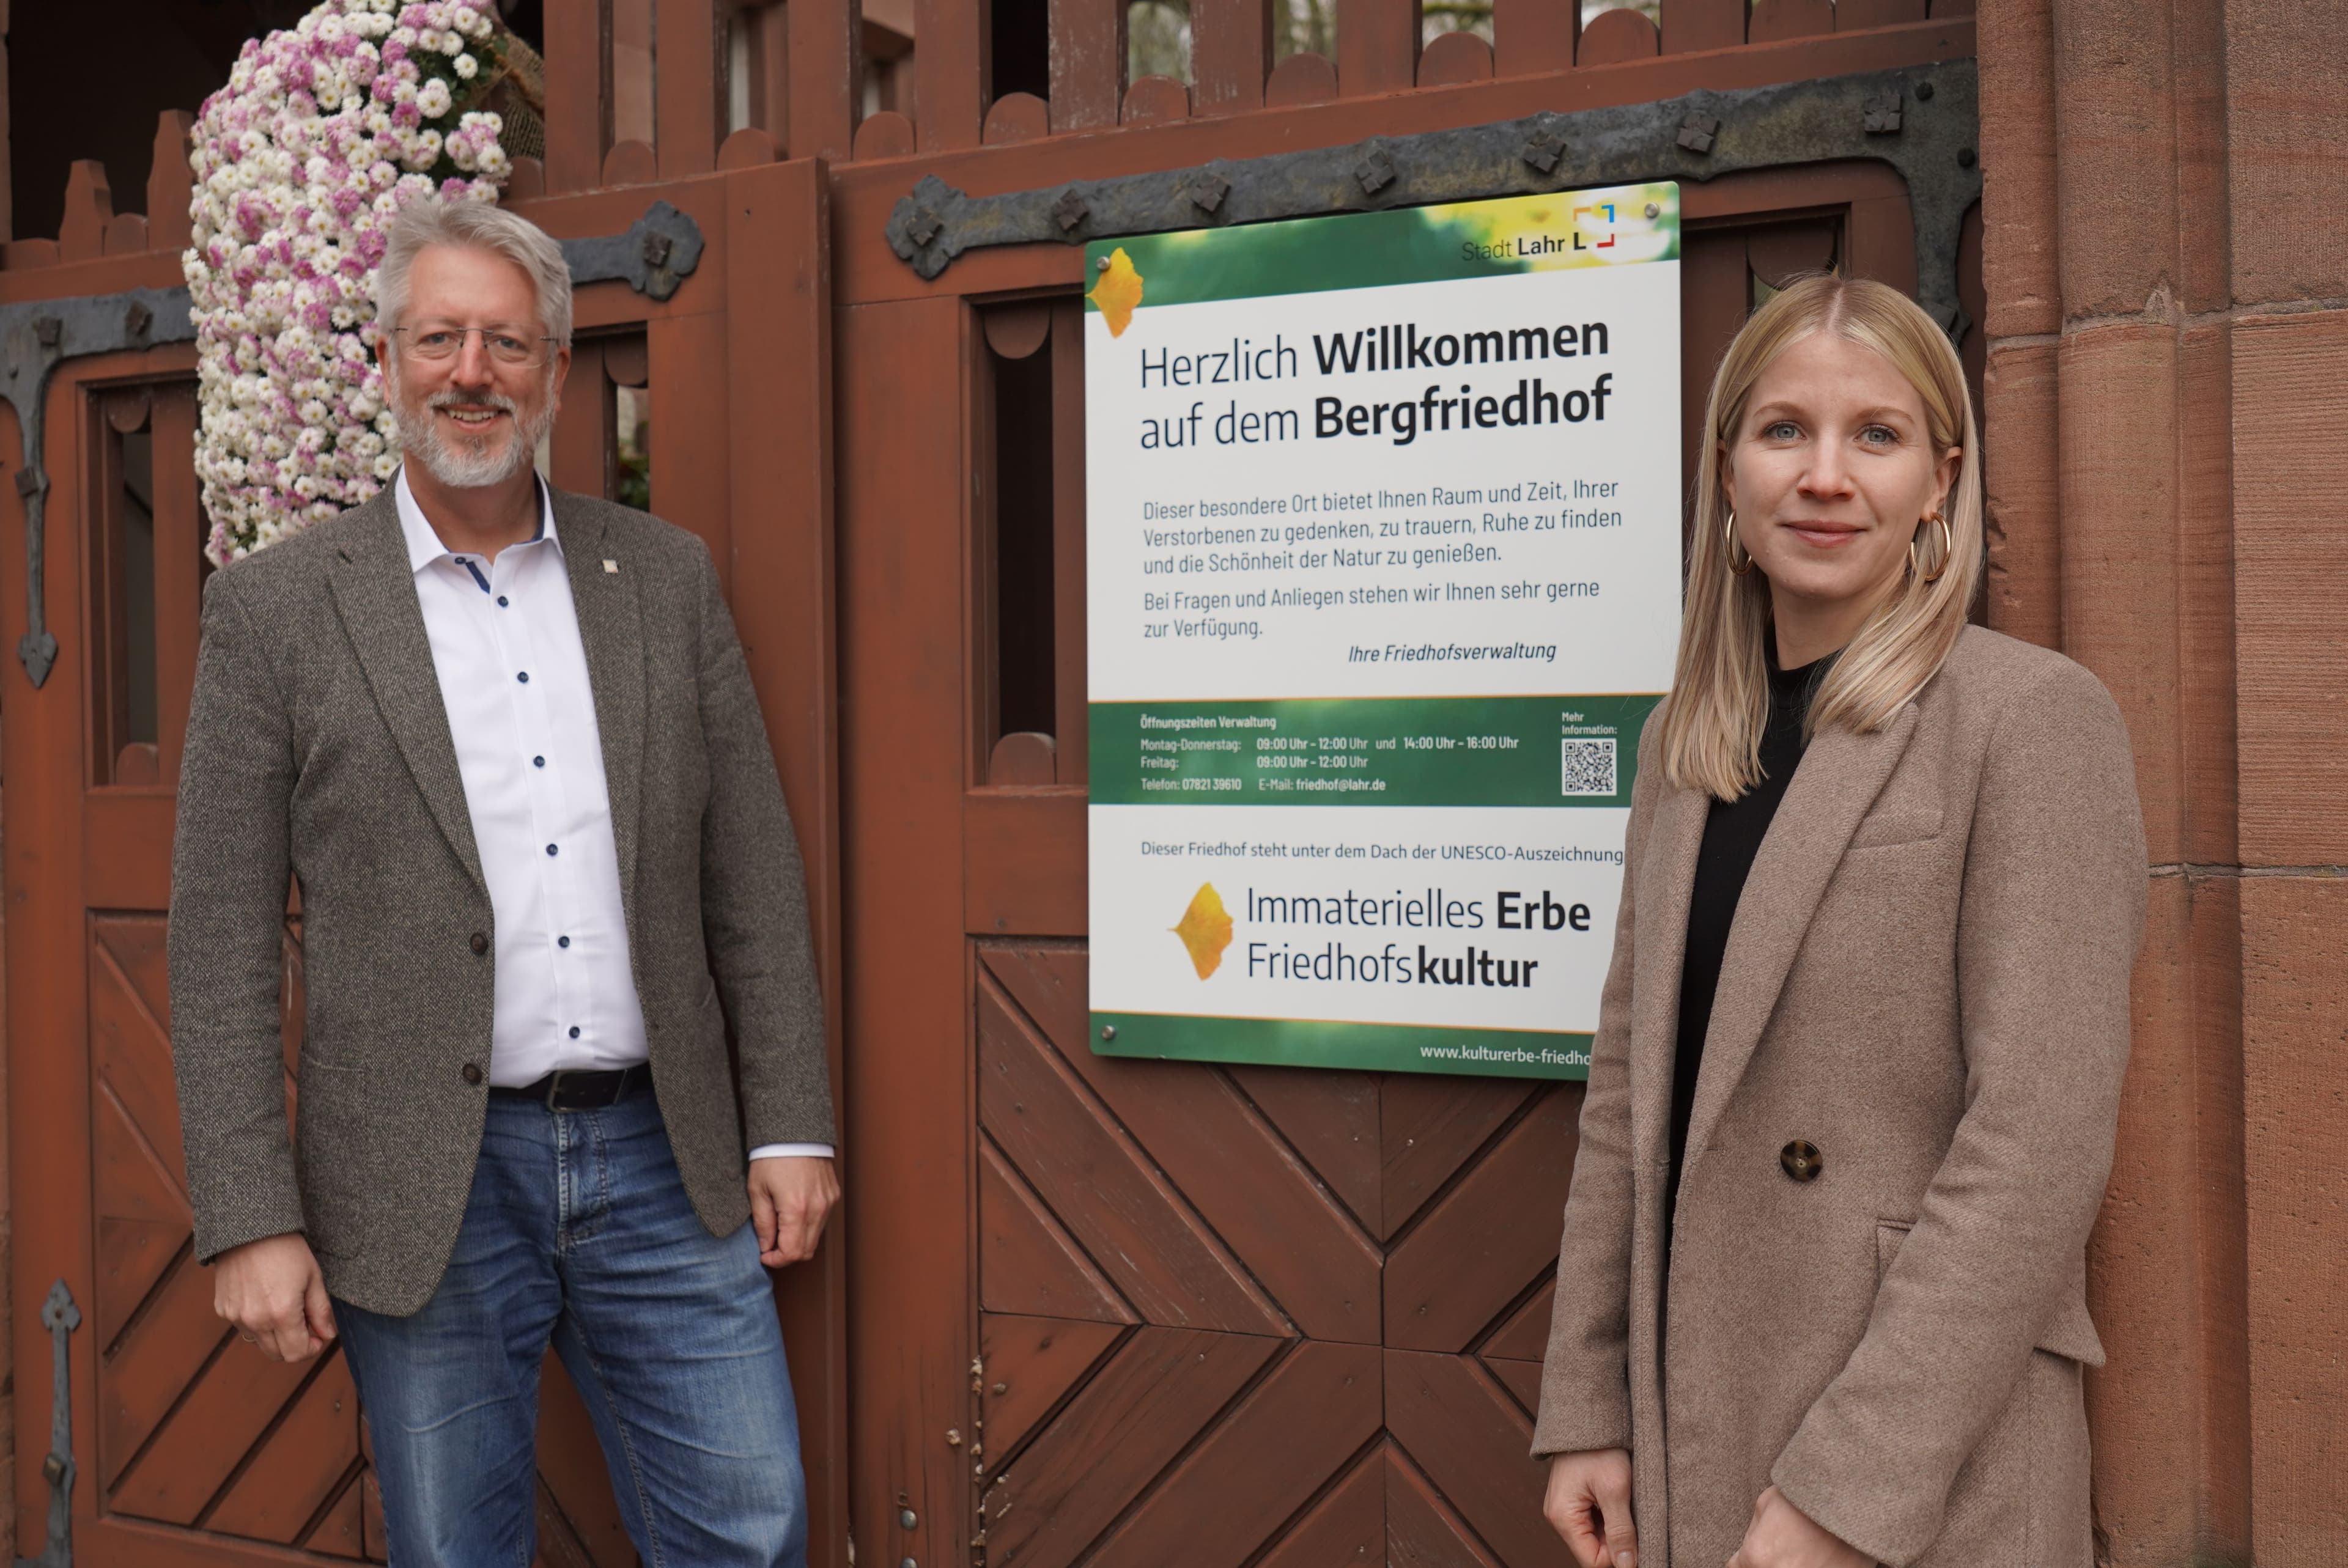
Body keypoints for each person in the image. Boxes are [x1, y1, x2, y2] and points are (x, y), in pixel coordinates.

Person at [168, 197, 840, 1567]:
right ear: (388, 361)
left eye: (508, 343)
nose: (472, 371)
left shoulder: (662, 578)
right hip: (424, 1182)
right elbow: (221, 935)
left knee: (752, 1531)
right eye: (440, 338)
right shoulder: (278, 610)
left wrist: (793, 1123)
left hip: (667, 1157)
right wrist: (249, 1215)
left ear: (557, 370)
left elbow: (749, 870)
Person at [1534, 274, 2145, 1568]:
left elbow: (2036, 1145)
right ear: (1727, 470)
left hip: (1920, 1455)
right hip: (1689, 1416)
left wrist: (1848, 1489)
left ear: (1940, 479)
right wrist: (1589, 1399)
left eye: (1876, 434)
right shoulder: (1681, 741)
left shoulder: (2028, 719)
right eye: (1783, 430)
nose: (1825, 474)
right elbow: (1628, 1096)